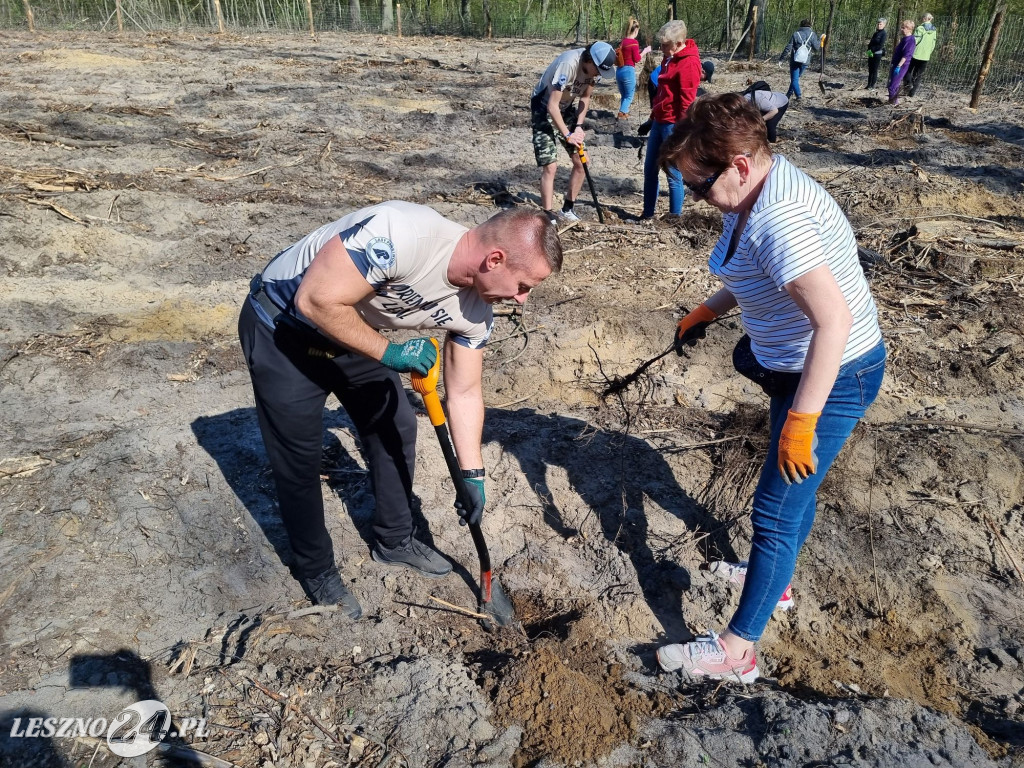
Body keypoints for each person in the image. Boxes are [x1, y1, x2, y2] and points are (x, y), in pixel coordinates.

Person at [654, 94, 885, 683]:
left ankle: (738, 650)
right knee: (790, 502)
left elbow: (833, 321)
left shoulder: (781, 218)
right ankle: (774, 584)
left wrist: (803, 422)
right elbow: (759, 271)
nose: (701, 200)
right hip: (796, 365)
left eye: (700, 186)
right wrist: (708, 309)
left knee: (775, 511)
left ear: (737, 165)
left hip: (833, 375)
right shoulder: (755, 188)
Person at [238, 202, 563, 616]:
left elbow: (463, 393)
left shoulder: (478, 312)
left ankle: (394, 539)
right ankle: (315, 568)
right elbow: (316, 300)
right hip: (283, 327)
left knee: (396, 423)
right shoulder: (403, 234)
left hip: (351, 330)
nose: (522, 300)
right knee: (297, 460)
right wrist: (390, 354)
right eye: (523, 285)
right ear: (494, 259)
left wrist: (472, 475)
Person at [531, 41, 617, 223]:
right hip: (543, 105)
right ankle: (548, 216)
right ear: (589, 61)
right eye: (598, 70)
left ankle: (567, 209)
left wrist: (578, 127)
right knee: (551, 165)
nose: (599, 75)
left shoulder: (596, 73)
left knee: (581, 159)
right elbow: (552, 106)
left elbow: (585, 98)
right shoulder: (569, 64)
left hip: (566, 106)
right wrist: (567, 135)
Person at [637, 20, 702, 221]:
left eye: (665, 45)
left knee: (673, 173)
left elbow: (686, 101)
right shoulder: (668, 58)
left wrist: (682, 132)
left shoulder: (689, 63)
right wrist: (652, 117)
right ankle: (647, 215)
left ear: (679, 42)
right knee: (650, 169)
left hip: (674, 124)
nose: (661, 48)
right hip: (659, 121)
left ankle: (675, 218)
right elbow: (662, 93)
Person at [779, 19, 820, 102]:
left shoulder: (796, 34)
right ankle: (788, 94)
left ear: (800, 25)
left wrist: (781, 59)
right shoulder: (812, 34)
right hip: (805, 61)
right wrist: (820, 40)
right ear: (810, 26)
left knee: (794, 79)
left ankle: (798, 95)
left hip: (795, 60)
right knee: (796, 79)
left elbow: (788, 47)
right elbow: (816, 48)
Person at [616, 18, 642, 118]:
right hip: (628, 71)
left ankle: (624, 114)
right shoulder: (634, 43)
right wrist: (644, 52)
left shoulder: (623, 42)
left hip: (619, 71)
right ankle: (621, 112)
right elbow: (637, 59)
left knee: (624, 95)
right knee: (629, 96)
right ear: (636, 30)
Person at [907, 13, 937, 97]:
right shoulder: (934, 30)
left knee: (908, 70)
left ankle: (909, 85)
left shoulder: (920, 28)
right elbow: (933, 44)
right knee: (918, 75)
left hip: (915, 54)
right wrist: (929, 52)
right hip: (925, 56)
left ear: (924, 19)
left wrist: (909, 49)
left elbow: (915, 41)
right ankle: (912, 93)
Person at [888, 19, 916, 106]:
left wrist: (899, 66)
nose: (901, 29)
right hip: (896, 63)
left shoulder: (910, 40)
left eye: (903, 28)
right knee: (892, 84)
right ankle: (892, 101)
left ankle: (894, 103)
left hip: (901, 65)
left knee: (893, 86)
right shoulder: (904, 38)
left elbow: (906, 55)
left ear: (909, 29)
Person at [866, 17, 887, 90]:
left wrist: (872, 50)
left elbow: (880, 45)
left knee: (874, 70)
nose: (879, 25)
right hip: (871, 53)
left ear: (884, 25)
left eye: (880, 24)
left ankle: (872, 85)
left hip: (877, 54)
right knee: (870, 69)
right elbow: (871, 42)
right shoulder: (876, 33)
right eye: (878, 24)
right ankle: (868, 85)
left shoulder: (884, 34)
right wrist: (869, 50)